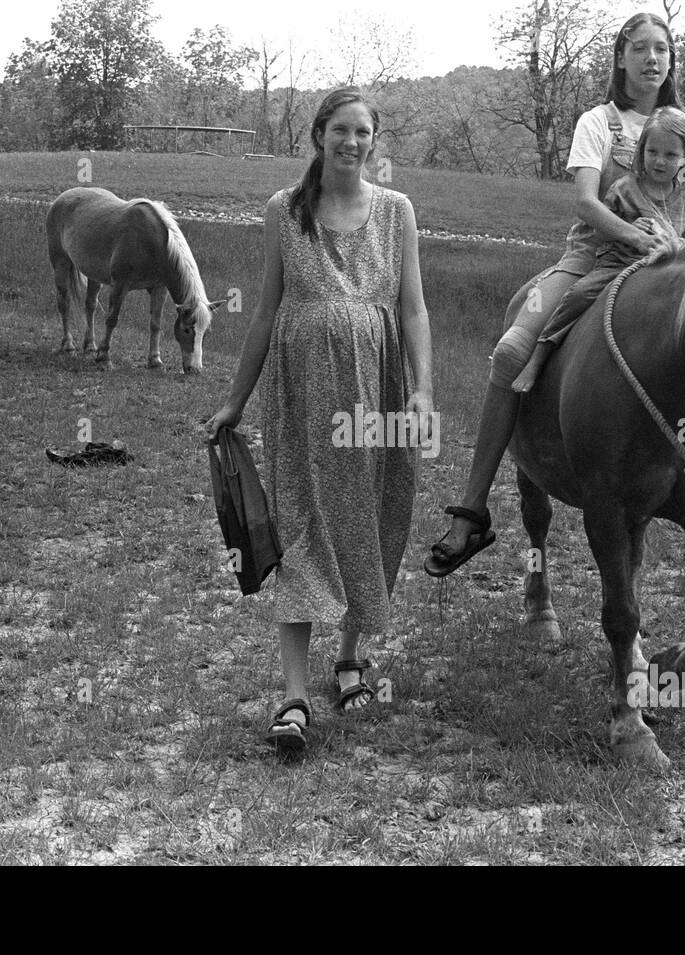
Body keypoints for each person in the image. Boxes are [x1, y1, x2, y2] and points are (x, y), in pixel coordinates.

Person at [424, 10, 685, 582]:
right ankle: (472, 508)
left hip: (674, 271)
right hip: (594, 257)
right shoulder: (598, 122)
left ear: (672, 61)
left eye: (662, 50)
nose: (652, 58)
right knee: (508, 352)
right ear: (621, 57)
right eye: (640, 48)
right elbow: (586, 203)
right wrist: (637, 237)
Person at [206, 87, 435, 755]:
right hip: (302, 395)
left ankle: (351, 657)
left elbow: (415, 309)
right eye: (342, 129)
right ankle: (293, 696)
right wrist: (235, 399)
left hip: (376, 390)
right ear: (319, 134)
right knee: (302, 525)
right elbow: (266, 310)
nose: (353, 142)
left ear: (373, 140)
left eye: (364, 132)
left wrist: (422, 392)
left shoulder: (396, 212)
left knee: (363, 516)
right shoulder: (285, 210)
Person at [512, 106, 685, 393]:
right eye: (652, 152)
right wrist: (631, 230)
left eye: (670, 155)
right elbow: (600, 230)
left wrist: (680, 244)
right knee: (578, 294)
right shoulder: (624, 188)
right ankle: (539, 357)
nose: (659, 161)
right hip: (618, 265)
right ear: (641, 152)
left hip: (664, 274)